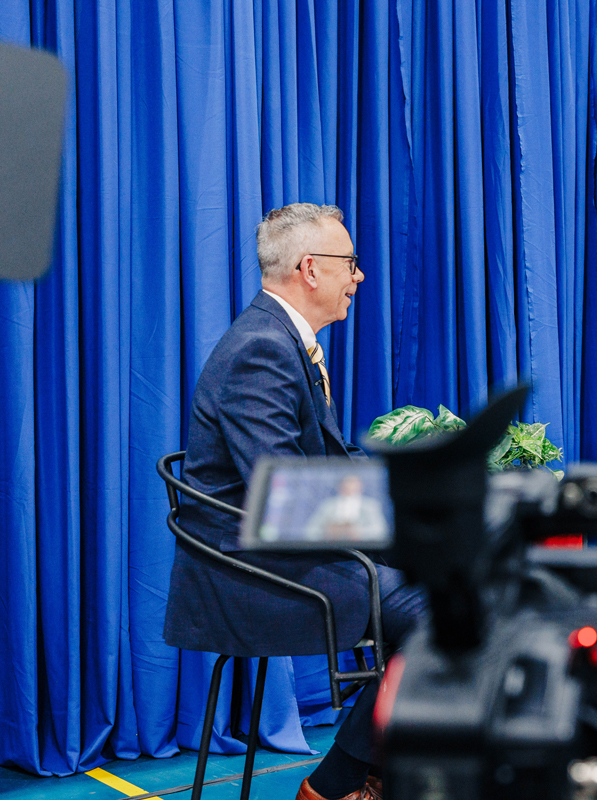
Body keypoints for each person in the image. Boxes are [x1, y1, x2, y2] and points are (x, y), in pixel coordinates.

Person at [163, 203, 424, 800]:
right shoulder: (261, 350)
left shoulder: (282, 340)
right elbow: (286, 496)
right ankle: (340, 784)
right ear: (311, 268)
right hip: (254, 575)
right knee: (451, 613)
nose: (358, 277)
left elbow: (319, 472)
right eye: (350, 263)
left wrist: (417, 492)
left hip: (278, 552)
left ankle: (377, 775)